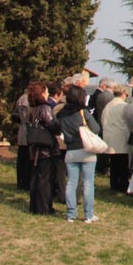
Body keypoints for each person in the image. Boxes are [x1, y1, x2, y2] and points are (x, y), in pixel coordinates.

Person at [58, 84, 102, 223]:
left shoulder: (62, 114)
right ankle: (89, 214)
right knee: (88, 183)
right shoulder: (83, 112)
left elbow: (56, 127)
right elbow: (96, 128)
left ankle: (71, 213)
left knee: (71, 182)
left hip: (71, 151)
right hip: (86, 150)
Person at [27, 82, 60, 215]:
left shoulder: (32, 108)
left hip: (35, 148)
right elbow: (51, 124)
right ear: (41, 94)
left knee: (37, 177)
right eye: (46, 92)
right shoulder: (45, 108)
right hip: (46, 149)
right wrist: (58, 124)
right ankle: (44, 207)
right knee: (45, 179)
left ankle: (35, 206)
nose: (47, 94)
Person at [101, 84, 132, 193]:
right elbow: (128, 121)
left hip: (109, 137)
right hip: (121, 137)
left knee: (113, 162)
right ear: (123, 94)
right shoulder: (124, 106)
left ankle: (114, 184)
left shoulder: (107, 106)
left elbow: (103, 120)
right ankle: (123, 184)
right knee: (123, 164)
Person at [90, 77, 114, 176]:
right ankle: (104, 167)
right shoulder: (109, 97)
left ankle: (100, 166)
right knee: (106, 148)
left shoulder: (100, 95)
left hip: (100, 123)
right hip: (107, 125)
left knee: (102, 148)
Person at [10, 91, 32, 190]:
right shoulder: (28, 99)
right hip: (28, 130)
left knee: (22, 158)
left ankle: (21, 182)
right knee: (27, 158)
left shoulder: (21, 98)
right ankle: (26, 183)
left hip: (22, 131)